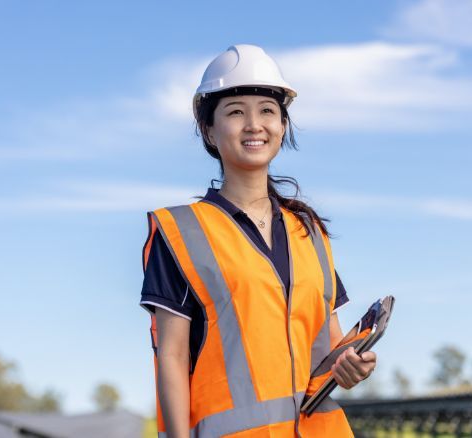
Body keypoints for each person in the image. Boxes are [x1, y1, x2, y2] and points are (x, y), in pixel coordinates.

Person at [139, 44, 377, 438]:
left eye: (267, 110)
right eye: (236, 112)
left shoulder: (308, 232)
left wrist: (354, 366)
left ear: (282, 125)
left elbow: (329, 350)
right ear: (209, 131)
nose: (254, 124)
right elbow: (173, 358)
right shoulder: (181, 232)